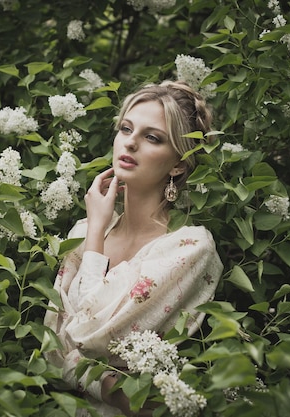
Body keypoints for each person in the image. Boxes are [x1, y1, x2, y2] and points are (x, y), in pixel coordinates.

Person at [43, 80, 223, 416]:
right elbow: (49, 351)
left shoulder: (189, 248)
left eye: (152, 137)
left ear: (178, 164)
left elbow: (86, 334)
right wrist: (112, 389)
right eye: (126, 128)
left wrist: (96, 230)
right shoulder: (82, 233)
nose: (131, 142)